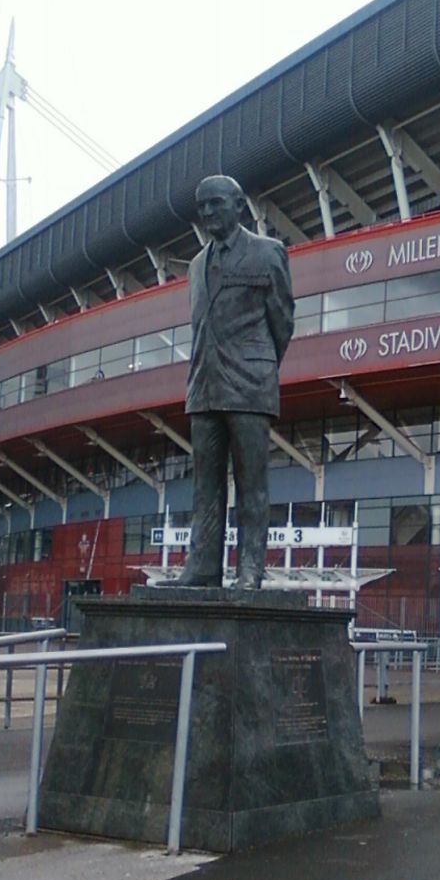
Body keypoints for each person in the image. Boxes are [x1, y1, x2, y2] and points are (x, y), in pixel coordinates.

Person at [167, 174, 294, 588]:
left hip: (249, 386)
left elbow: (282, 323)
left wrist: (258, 367)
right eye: (201, 206)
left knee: (251, 484)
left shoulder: (268, 253)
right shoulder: (196, 265)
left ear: (239, 205)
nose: (207, 213)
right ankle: (203, 566)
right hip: (203, 386)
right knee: (205, 485)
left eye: (215, 204)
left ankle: (250, 569)